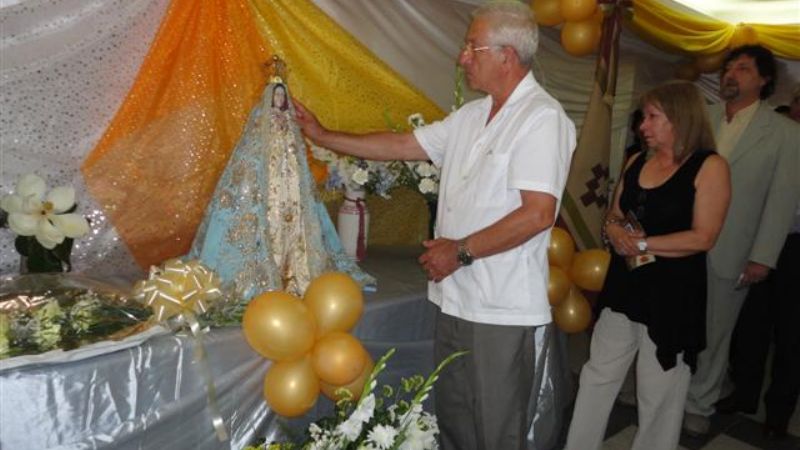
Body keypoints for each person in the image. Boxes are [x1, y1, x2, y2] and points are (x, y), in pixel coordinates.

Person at [293, 3, 575, 448]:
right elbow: (403, 145)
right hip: (455, 298)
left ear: (506, 56)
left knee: (497, 430)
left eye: (472, 48)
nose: (462, 58)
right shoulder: (473, 115)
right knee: (455, 424)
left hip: (500, 309)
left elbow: (538, 214)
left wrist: (459, 251)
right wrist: (323, 135)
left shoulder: (542, 118)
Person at [564, 81, 731, 450]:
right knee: (597, 375)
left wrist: (641, 243)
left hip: (674, 294)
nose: (643, 126)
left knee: (659, 394)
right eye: (644, 117)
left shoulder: (710, 166)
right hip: (625, 285)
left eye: (653, 117)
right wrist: (613, 230)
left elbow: (704, 237)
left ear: (680, 118)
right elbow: (614, 214)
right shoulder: (637, 160)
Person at [683, 45, 800, 437]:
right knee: (677, 322)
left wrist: (763, 256)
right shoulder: (703, 117)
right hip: (684, 241)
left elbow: (781, 200)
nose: (731, 74)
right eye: (728, 68)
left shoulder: (785, 133)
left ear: (764, 80)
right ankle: (668, 391)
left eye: (744, 69)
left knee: (715, 333)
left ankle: (699, 403)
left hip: (734, 247)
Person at [187, 79, 374, 314]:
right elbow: (252, 152)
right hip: (270, 179)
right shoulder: (262, 121)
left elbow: (296, 152)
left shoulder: (289, 122)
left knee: (294, 222)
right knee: (269, 219)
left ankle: (295, 269)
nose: (278, 100)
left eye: (281, 97)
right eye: (275, 96)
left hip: (289, 180)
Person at [720, 85, 800, 439]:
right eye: (797, 101)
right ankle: (745, 393)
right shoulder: (777, 138)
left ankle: (778, 413)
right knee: (751, 322)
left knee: (791, 334)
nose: (799, 108)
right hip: (761, 238)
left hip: (796, 246)